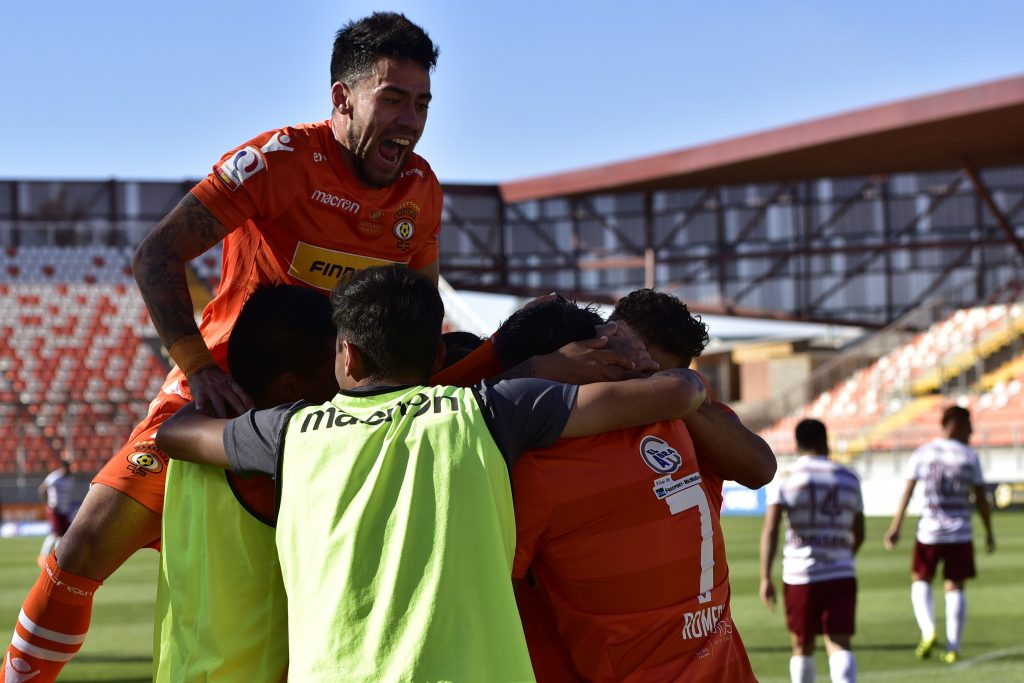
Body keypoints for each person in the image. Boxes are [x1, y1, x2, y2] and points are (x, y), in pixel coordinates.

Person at [0, 13, 445, 681]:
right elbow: (157, 254)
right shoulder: (283, 160)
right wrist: (199, 367)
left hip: (327, 417)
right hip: (222, 390)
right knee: (83, 549)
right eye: (392, 98)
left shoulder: (421, 192)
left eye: (421, 103)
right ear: (342, 98)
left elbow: (421, 318)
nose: (409, 119)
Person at [154, 266, 710, 682]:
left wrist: (206, 374)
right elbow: (681, 390)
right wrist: (615, 357)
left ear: (346, 357)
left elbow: (175, 432)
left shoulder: (291, 432)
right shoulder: (491, 413)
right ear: (438, 351)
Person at [503, 291, 775, 682]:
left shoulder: (688, 422)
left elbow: (761, 468)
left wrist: (681, 398)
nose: (642, 385)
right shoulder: (541, 456)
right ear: (601, 343)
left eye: (654, 376)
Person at [153, 285, 339, 682]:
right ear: (290, 387)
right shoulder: (287, 454)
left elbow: (168, 432)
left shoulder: (189, 435)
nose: (344, 375)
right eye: (333, 362)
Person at [884, 405, 995, 664]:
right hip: (960, 533)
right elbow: (980, 499)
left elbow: (908, 491)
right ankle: (953, 646)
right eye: (968, 425)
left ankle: (928, 630)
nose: (972, 430)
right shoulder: (969, 456)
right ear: (954, 423)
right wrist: (989, 532)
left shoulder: (924, 453)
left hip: (930, 532)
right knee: (955, 586)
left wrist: (896, 526)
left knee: (920, 580)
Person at [760, 418, 864, 683]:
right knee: (840, 643)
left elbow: (771, 530)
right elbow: (859, 531)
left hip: (800, 574)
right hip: (840, 571)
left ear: (797, 444)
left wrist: (765, 577)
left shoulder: (786, 478)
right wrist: (842, 556)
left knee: (801, 645)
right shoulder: (849, 478)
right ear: (825, 440)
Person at [36, 459, 76, 568]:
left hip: (65, 509)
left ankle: (57, 558)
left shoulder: (70, 479)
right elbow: (42, 489)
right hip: (55, 509)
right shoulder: (54, 477)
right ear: (63, 468)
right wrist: (47, 503)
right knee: (55, 533)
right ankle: (43, 557)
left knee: (63, 534)